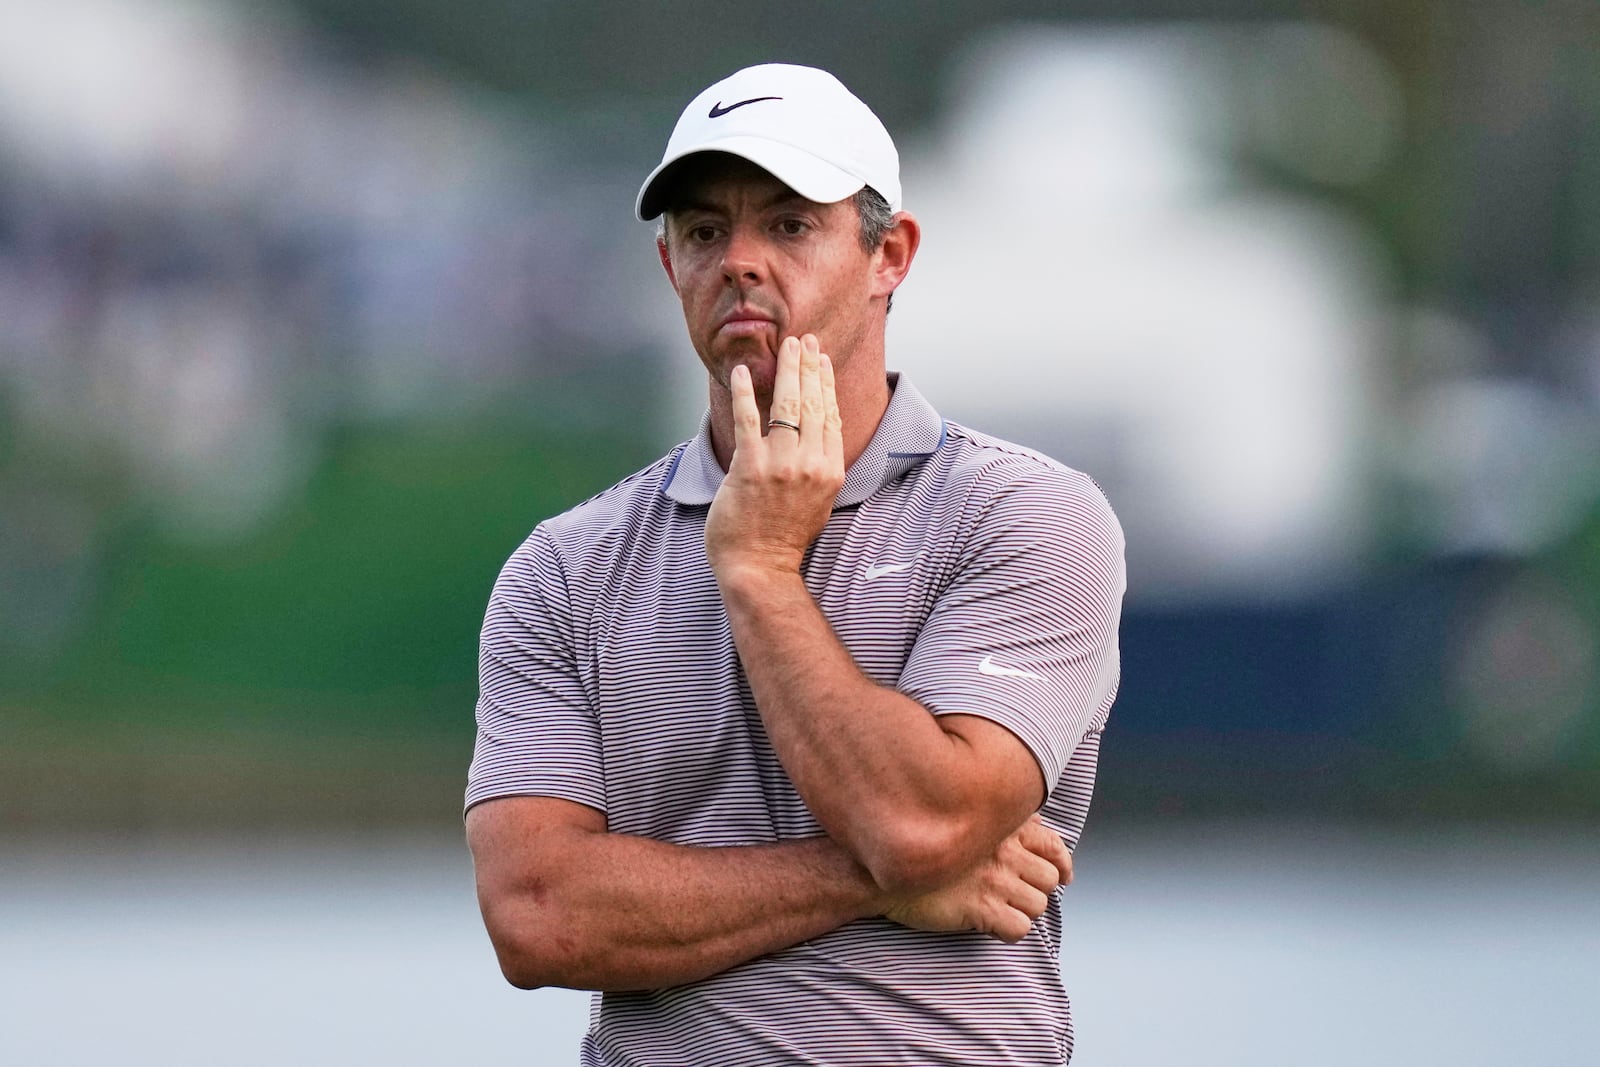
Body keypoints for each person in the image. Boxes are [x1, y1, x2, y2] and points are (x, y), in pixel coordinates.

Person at [465, 62, 1125, 1065]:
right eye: (702, 231)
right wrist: (871, 877)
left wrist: (762, 570)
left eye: (787, 225)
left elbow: (918, 818)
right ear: (668, 268)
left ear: (887, 254)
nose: (737, 260)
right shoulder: (565, 567)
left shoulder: (1024, 515)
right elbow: (539, 913)